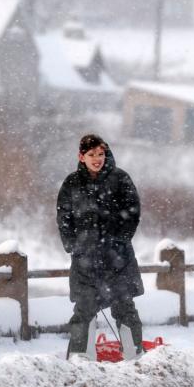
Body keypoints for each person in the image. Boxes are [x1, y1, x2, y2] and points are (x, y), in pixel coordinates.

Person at [56, 134, 144, 359]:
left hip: (118, 260)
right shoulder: (71, 183)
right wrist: (73, 246)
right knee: (83, 311)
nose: (97, 159)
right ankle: (79, 362)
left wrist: (119, 240)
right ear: (81, 156)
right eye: (92, 154)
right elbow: (64, 217)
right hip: (85, 260)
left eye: (101, 154)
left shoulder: (120, 179)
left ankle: (135, 359)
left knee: (125, 308)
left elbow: (133, 213)